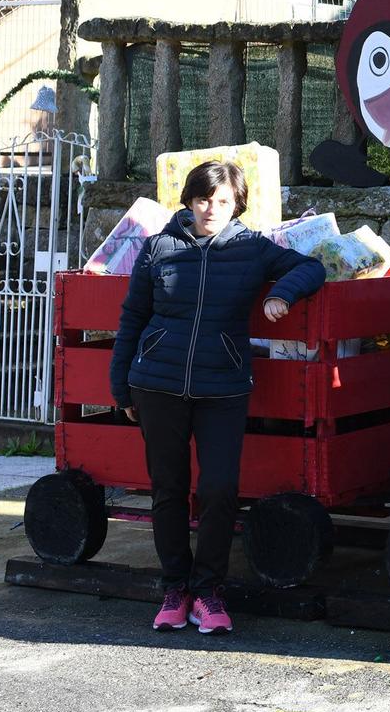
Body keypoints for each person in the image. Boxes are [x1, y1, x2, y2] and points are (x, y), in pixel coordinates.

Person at [110, 160, 326, 635]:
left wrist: (282, 295)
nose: (212, 209)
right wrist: (121, 386)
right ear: (189, 200)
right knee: (168, 489)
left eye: (223, 201)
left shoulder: (252, 249)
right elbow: (132, 319)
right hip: (157, 385)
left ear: (237, 205)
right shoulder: (157, 248)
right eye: (204, 199)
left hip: (223, 387)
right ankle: (174, 589)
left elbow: (311, 266)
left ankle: (208, 591)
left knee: (219, 489)